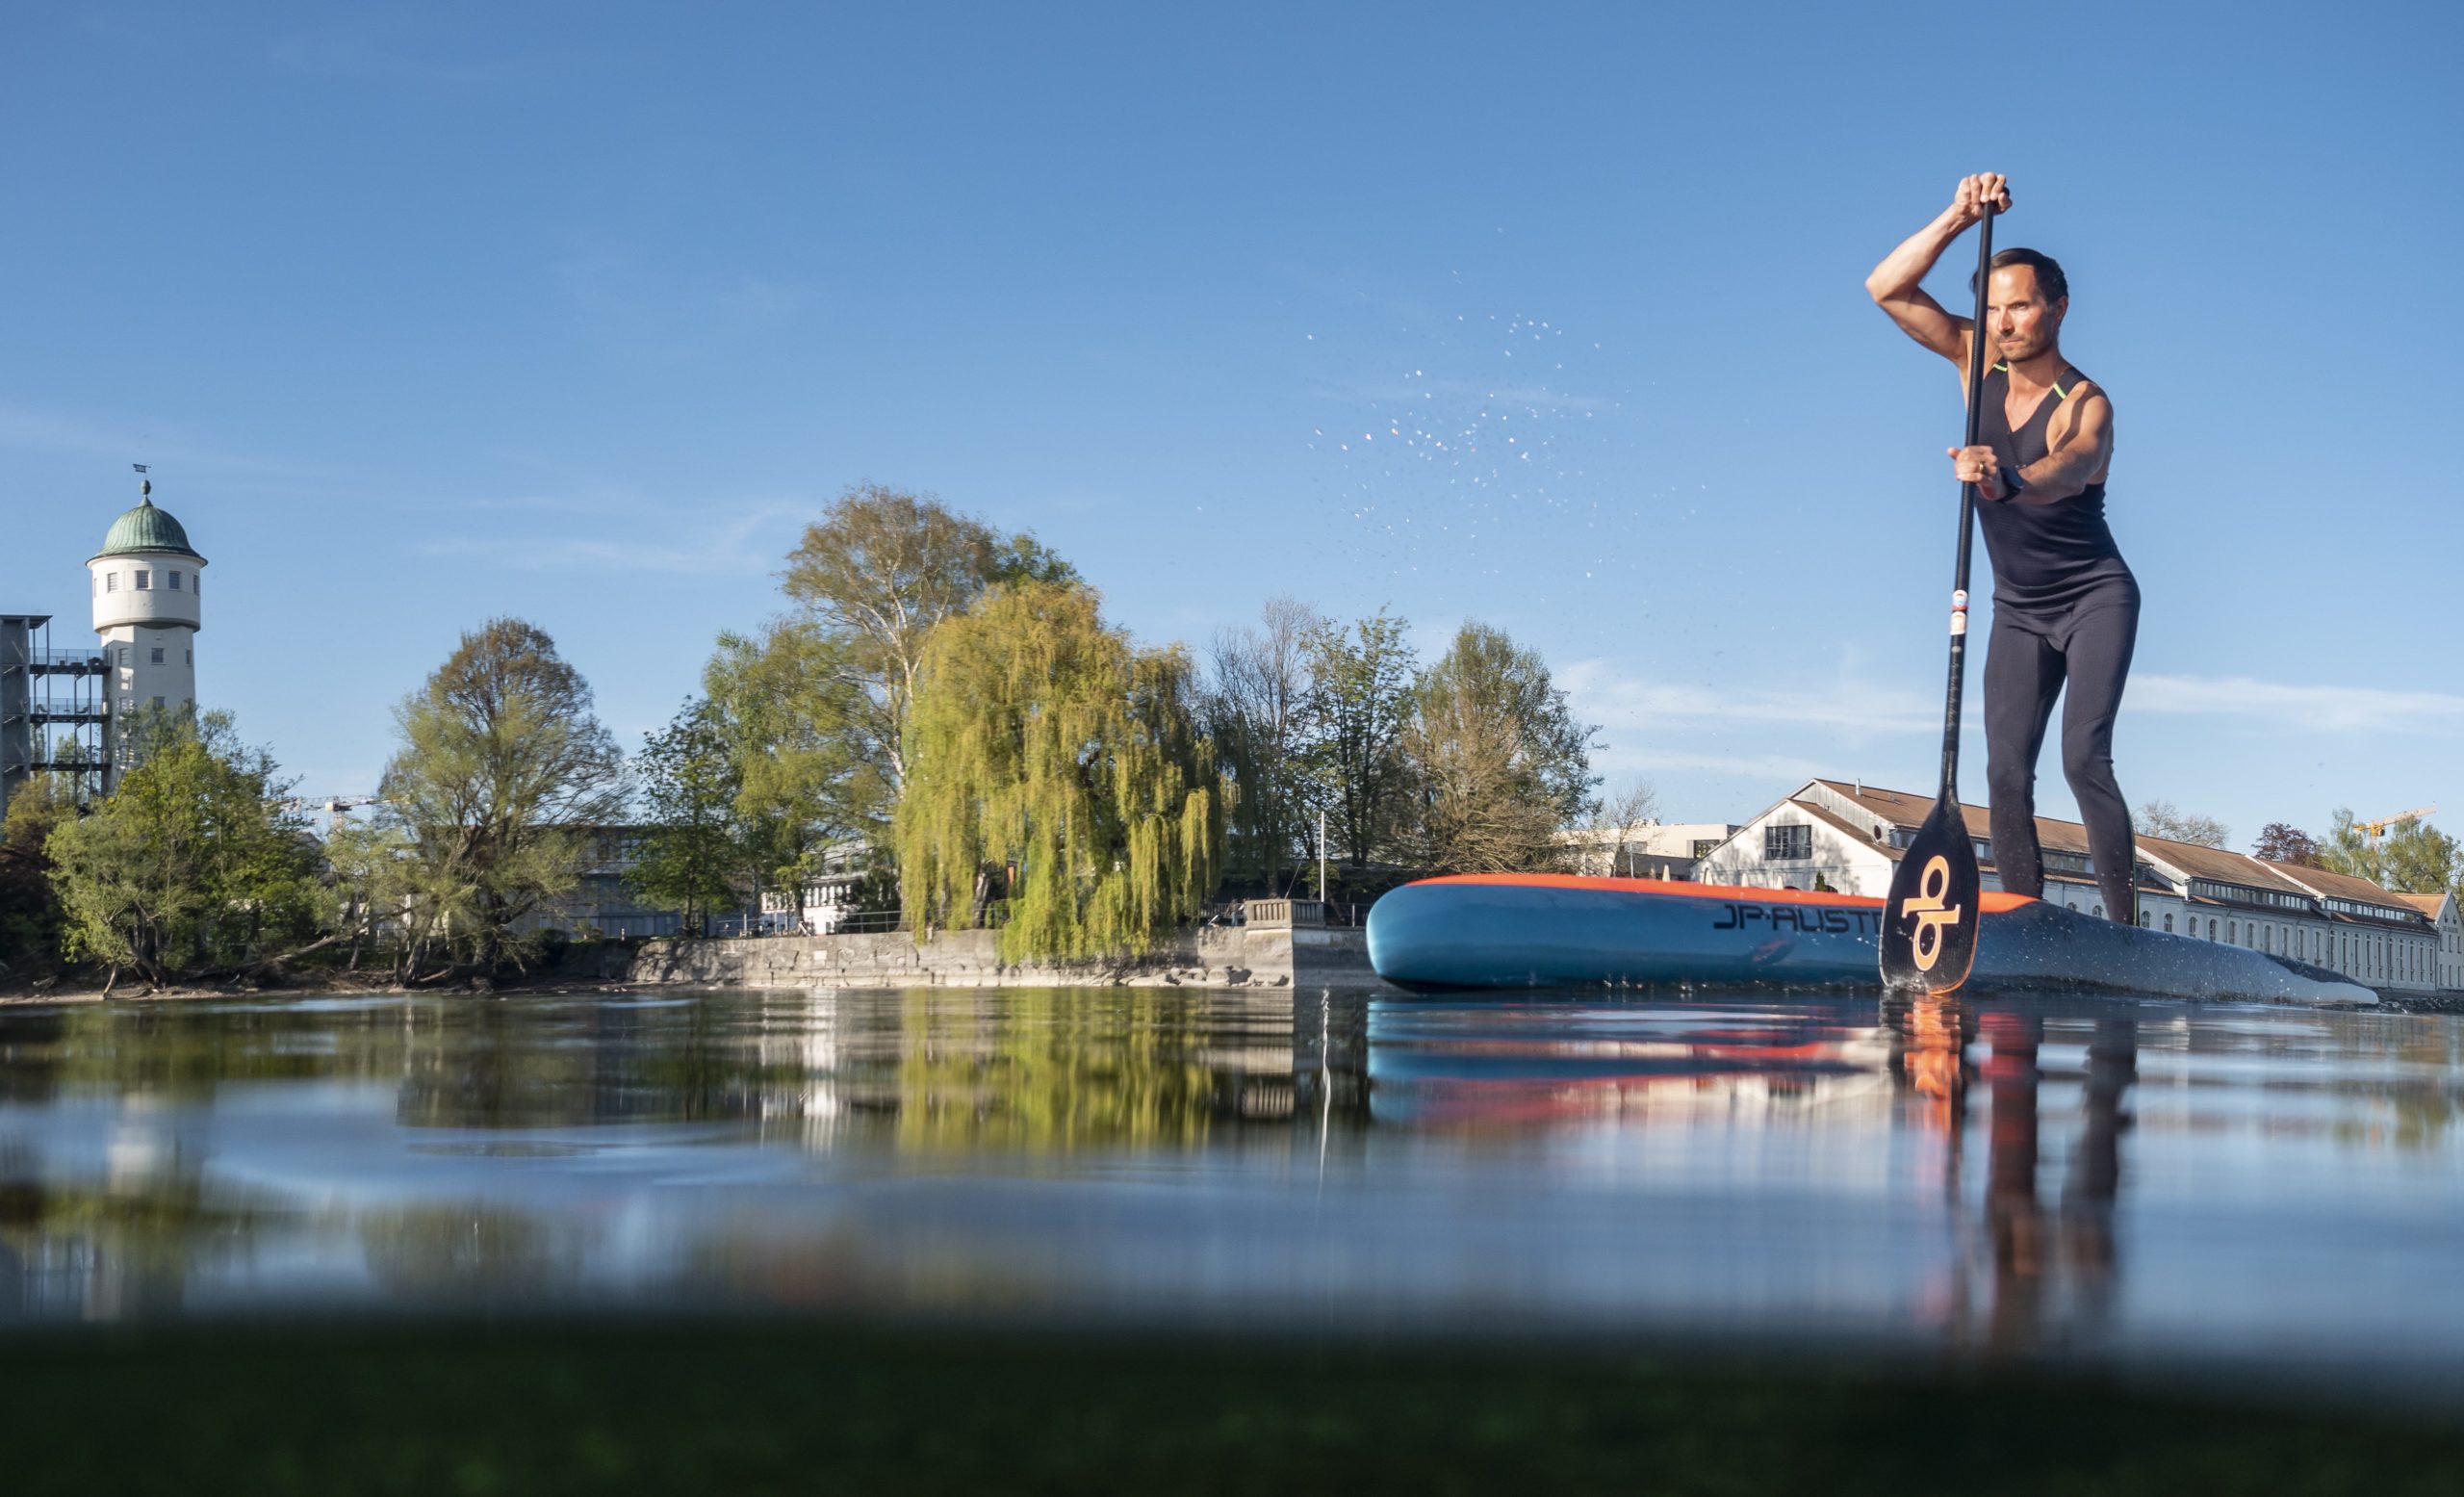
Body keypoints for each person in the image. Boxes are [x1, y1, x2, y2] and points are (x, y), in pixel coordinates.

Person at [1866, 173, 2138, 923]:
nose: (2005, 323)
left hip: (2094, 598)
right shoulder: (1973, 358)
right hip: (2017, 608)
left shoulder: (2087, 403)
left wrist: (2005, 475)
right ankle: (2026, 920)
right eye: (1994, 308)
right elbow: (1885, 287)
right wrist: (1958, 215)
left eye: (2019, 305)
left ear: (2058, 308)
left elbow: (2071, 466)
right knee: (2005, 769)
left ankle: (2124, 933)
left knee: (2084, 758)